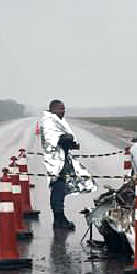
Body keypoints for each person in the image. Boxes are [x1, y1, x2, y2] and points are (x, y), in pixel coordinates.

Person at [39, 99, 97, 230]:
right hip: (55, 161)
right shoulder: (50, 122)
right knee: (58, 189)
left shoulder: (56, 121)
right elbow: (58, 139)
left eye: (64, 109)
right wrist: (69, 140)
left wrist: (70, 141)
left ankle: (59, 218)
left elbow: (66, 139)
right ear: (53, 109)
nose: (63, 111)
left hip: (60, 158)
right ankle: (59, 219)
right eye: (60, 109)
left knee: (59, 189)